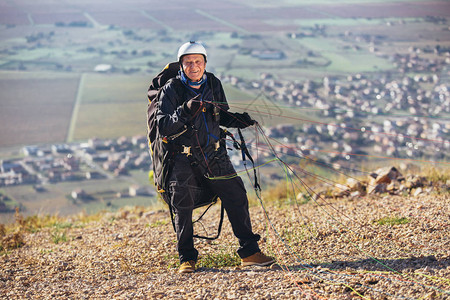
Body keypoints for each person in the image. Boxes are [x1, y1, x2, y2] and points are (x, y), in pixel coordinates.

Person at [155, 41, 275, 273]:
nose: (194, 66)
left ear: (205, 63)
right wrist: (185, 111)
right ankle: (187, 259)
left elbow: (220, 115)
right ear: (181, 65)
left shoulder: (213, 83)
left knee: (236, 194)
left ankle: (250, 253)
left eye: (198, 61)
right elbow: (163, 127)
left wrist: (239, 120)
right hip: (182, 157)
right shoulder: (171, 89)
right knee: (183, 206)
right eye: (188, 62)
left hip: (214, 154)